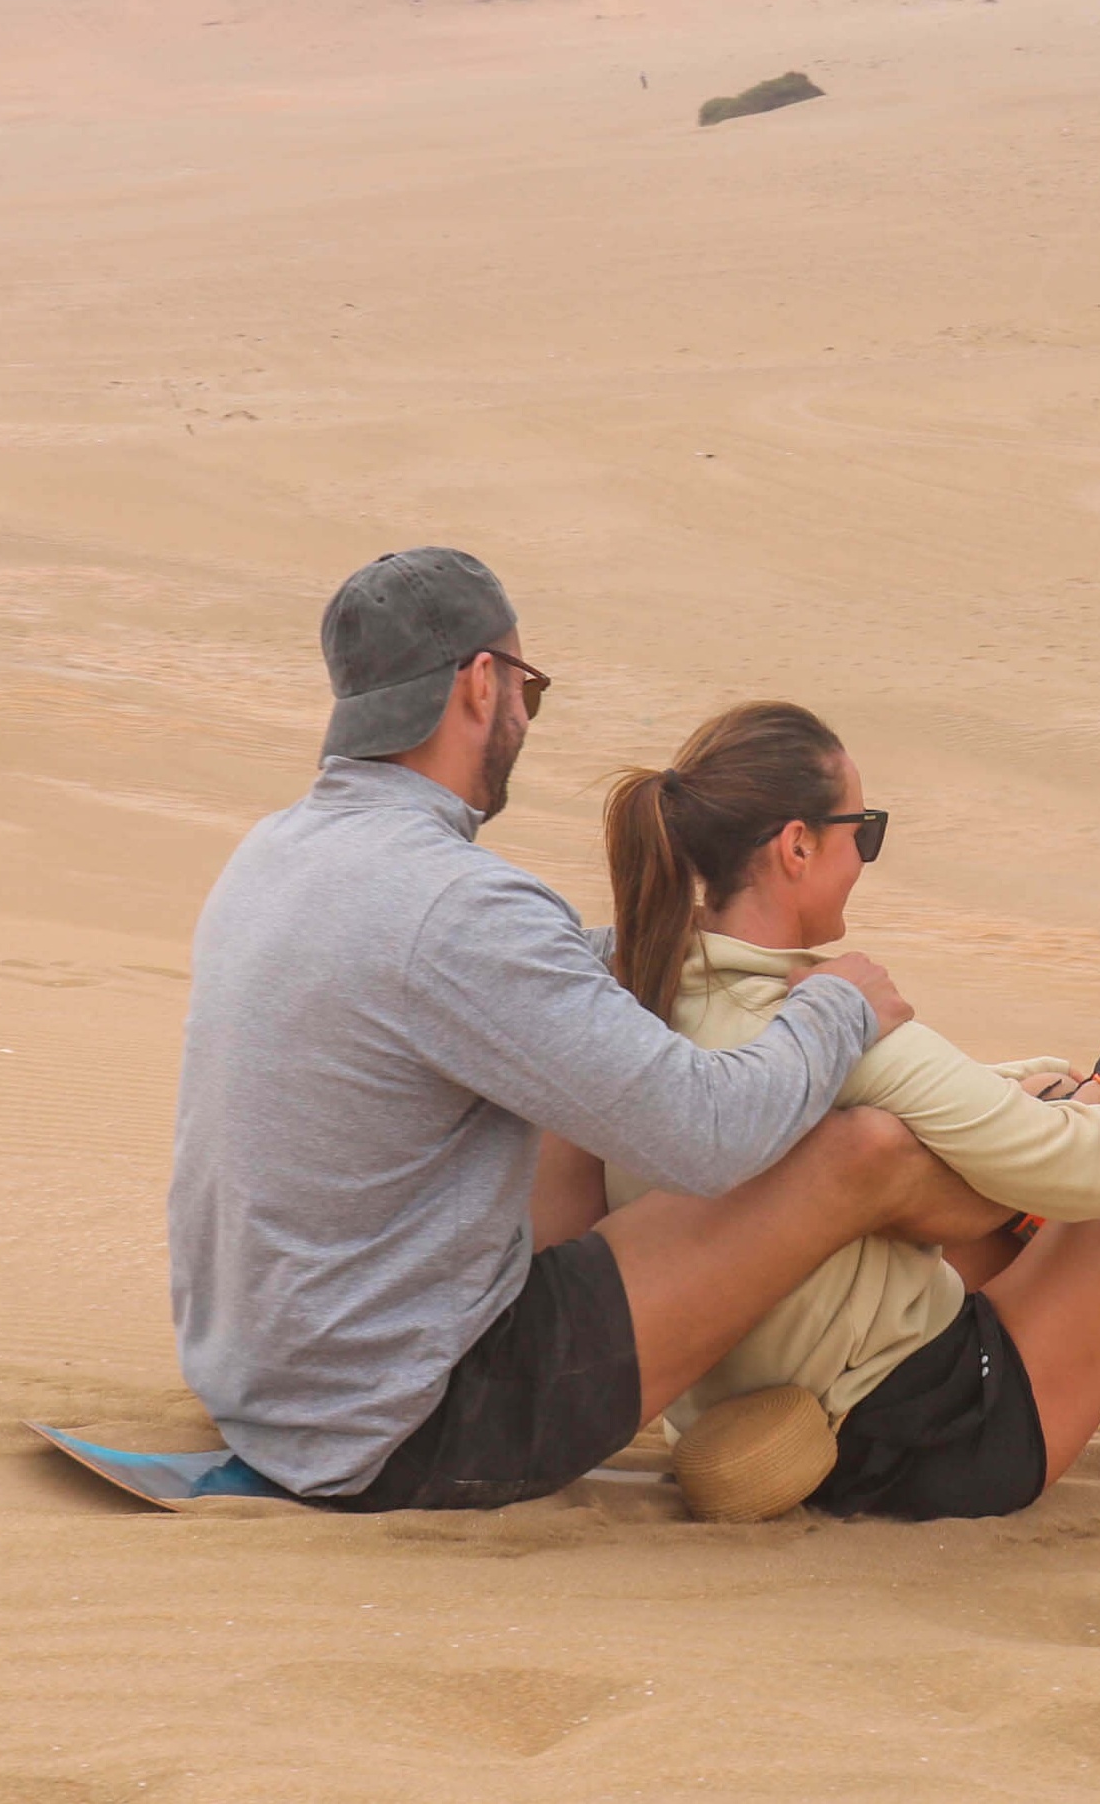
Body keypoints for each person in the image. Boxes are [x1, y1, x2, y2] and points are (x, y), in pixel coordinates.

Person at [169, 547, 1014, 1510]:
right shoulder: (459, 904)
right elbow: (712, 1138)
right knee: (851, 1151)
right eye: (527, 684)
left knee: (588, 1094)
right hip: (406, 1422)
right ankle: (1037, 1220)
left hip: (263, 1382)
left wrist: (675, 948)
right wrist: (837, 1007)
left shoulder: (277, 850)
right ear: (482, 684)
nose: (526, 712)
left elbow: (495, 978)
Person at [587, 701, 1100, 1516]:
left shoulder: (641, 1002)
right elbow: (1060, 1166)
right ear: (798, 845)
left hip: (771, 1401)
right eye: (865, 832)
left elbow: (944, 1116)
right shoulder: (828, 1020)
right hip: (932, 1435)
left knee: (1014, 1168)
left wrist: (1030, 1088)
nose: (866, 858)